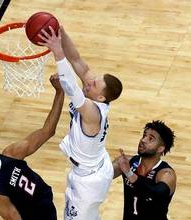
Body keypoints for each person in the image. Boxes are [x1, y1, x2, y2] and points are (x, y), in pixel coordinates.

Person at [38, 26, 123, 220]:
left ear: (101, 97)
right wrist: (60, 33)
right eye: (94, 79)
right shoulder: (95, 93)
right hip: (93, 166)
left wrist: (56, 50)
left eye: (94, 84)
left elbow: (71, 88)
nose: (89, 82)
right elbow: (76, 60)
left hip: (88, 180)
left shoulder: (93, 113)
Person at [0, 74, 64, 220]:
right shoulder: (9, 155)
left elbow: (48, 132)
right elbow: (47, 131)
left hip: (45, 205)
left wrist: (59, 93)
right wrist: (59, 92)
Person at [113, 120, 177, 220]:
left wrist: (129, 174)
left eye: (150, 139)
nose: (143, 140)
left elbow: (156, 194)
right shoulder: (127, 162)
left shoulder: (166, 174)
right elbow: (101, 175)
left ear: (160, 148)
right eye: (144, 136)